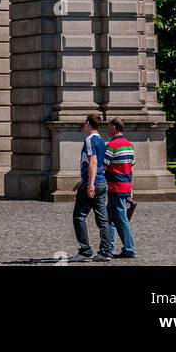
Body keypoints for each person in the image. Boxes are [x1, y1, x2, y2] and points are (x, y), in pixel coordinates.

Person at [68, 111, 112, 262]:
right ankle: (105, 252)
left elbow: (93, 162)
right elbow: (99, 164)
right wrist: (83, 180)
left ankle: (85, 251)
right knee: (103, 220)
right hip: (102, 182)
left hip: (93, 183)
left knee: (78, 217)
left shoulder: (89, 140)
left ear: (88, 123)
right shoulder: (101, 140)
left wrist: (89, 183)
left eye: (84, 123)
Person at [104, 116, 137, 259]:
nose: (107, 129)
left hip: (115, 186)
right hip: (125, 185)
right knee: (110, 218)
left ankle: (129, 249)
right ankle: (108, 248)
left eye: (109, 126)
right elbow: (130, 169)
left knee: (121, 219)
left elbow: (103, 167)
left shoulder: (112, 146)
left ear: (115, 128)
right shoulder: (129, 145)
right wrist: (131, 188)